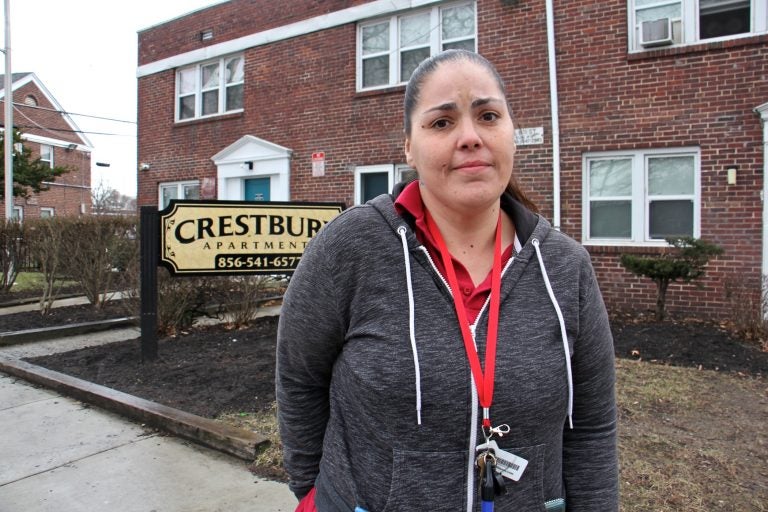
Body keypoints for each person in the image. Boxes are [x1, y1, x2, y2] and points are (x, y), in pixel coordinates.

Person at [276, 49, 618, 512]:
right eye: (441, 123)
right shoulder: (350, 248)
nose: (470, 137)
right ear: (409, 147)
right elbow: (300, 378)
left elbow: (592, 427)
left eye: (488, 116)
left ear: (512, 134)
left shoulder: (565, 266)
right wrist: (317, 492)